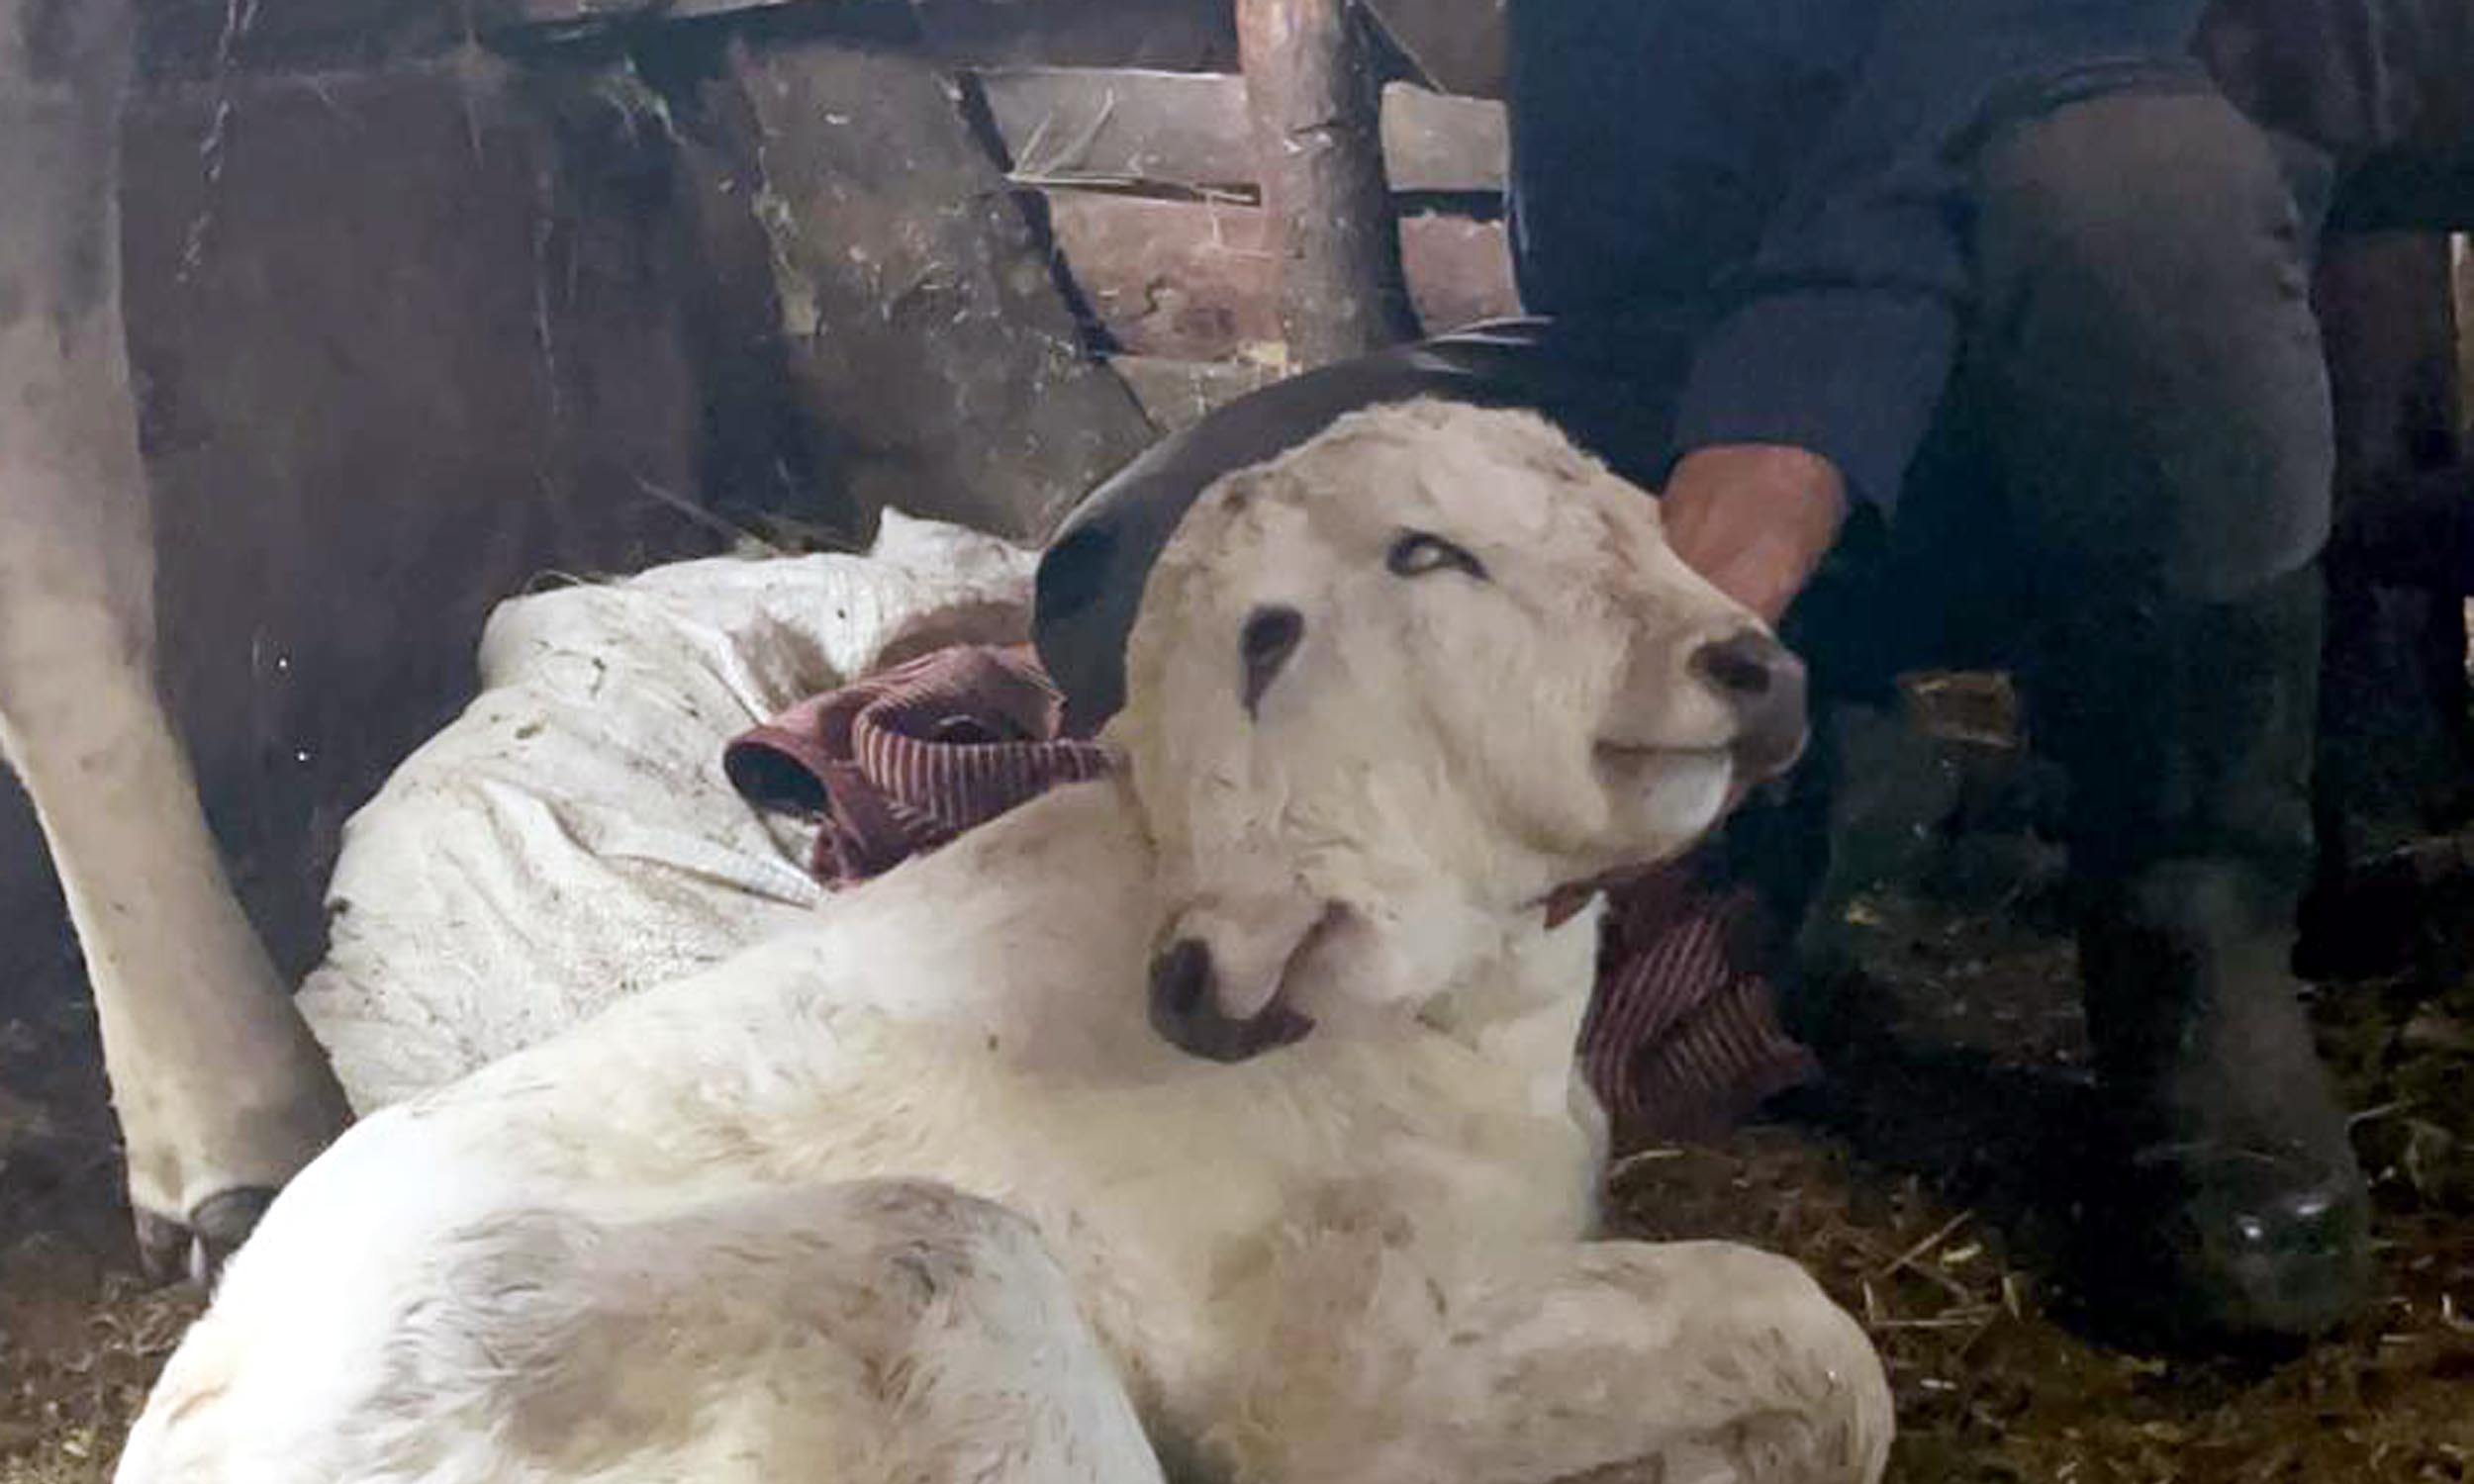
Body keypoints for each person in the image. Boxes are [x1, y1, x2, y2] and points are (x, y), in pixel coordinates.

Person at [1033, 1, 2473, 1349]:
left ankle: (2193, 940)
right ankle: (1769, 780)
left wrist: (1804, 396)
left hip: (2069, 370)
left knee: (2138, 186)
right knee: (1145, 574)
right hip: (1658, 348)